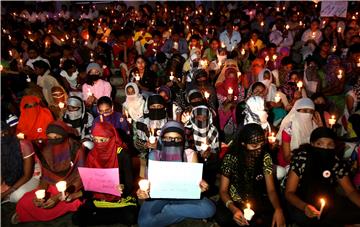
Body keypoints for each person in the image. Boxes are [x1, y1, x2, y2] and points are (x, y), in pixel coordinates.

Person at [137, 121, 216, 227]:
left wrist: (201, 186)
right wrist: (143, 191)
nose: (172, 141)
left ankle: (170, 211)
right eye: (168, 138)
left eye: (177, 138)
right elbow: (148, 184)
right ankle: (183, 211)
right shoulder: (154, 155)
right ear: (161, 138)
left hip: (184, 197)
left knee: (209, 209)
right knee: (144, 222)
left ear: (183, 140)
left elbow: (196, 184)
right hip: (160, 197)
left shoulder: (190, 155)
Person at [12, 121, 85, 224]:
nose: (53, 141)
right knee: (24, 202)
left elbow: (80, 178)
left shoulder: (76, 149)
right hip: (53, 185)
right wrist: (40, 195)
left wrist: (58, 197)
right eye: (50, 138)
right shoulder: (46, 149)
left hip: (73, 188)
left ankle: (31, 214)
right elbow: (45, 177)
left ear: (64, 136)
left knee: (73, 202)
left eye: (57, 138)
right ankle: (27, 212)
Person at [285, 127, 360, 226]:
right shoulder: (302, 158)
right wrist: (305, 207)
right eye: (319, 144)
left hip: (326, 200)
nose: (325, 148)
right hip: (300, 201)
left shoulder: (335, 162)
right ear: (312, 144)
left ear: (334, 146)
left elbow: (350, 191)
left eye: (330, 145)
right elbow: (289, 192)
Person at [214, 123, 286, 227]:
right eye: (254, 146)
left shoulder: (265, 157)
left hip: (256, 198)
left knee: (270, 218)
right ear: (243, 144)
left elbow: (271, 190)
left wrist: (278, 209)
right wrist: (234, 209)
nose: (259, 149)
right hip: (234, 200)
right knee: (223, 218)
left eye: (261, 145)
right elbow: (223, 190)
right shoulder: (231, 158)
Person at [72, 121, 137, 226]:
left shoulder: (122, 154)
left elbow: (129, 181)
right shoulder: (92, 155)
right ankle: (112, 215)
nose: (99, 144)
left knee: (130, 218)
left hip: (119, 197)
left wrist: (122, 187)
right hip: (99, 196)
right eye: (95, 140)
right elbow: (89, 182)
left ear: (111, 139)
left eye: (102, 140)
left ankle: (103, 215)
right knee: (77, 218)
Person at [276, 98, 322, 167]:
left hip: (309, 161)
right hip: (291, 163)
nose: (308, 114)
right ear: (296, 111)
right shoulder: (289, 129)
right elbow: (287, 157)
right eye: (305, 110)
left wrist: (320, 127)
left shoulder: (314, 125)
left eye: (311, 112)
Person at [1, 121, 39, 203]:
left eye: (2, 133)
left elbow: (27, 175)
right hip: (11, 174)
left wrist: (5, 193)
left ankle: (8, 197)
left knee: (17, 196)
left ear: (6, 132)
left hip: (33, 173)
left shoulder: (23, 144)